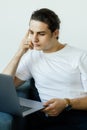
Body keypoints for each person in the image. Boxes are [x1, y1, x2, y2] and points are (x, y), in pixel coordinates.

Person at [2, 8, 87, 130]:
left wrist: (67, 103)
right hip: (45, 118)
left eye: (41, 34)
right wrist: (19, 52)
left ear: (55, 33)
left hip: (77, 116)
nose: (34, 39)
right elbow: (5, 87)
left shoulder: (80, 57)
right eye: (31, 32)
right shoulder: (32, 56)